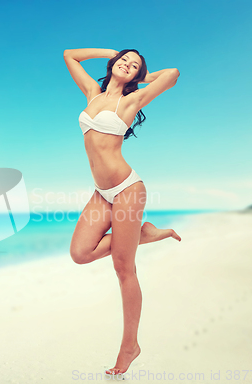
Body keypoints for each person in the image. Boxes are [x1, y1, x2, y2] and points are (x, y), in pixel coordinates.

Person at [64, 48, 182, 376]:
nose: (126, 65)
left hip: (128, 189)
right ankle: (143, 234)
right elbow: (69, 56)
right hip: (102, 193)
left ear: (136, 76)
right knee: (80, 252)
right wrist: (114, 52)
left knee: (123, 268)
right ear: (113, 64)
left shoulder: (132, 101)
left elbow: (172, 74)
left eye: (133, 66)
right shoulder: (93, 93)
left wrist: (142, 77)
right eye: (123, 61)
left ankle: (130, 345)